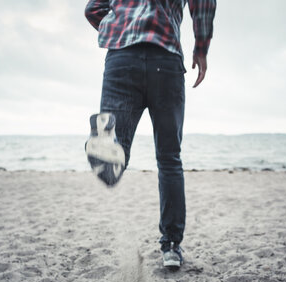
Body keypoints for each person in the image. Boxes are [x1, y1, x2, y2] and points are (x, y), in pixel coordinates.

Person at [85, 0, 216, 268]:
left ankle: (104, 140)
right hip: (165, 59)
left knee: (116, 148)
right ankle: (170, 247)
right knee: (169, 159)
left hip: (122, 59)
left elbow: (93, 9)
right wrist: (201, 49)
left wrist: (117, 29)